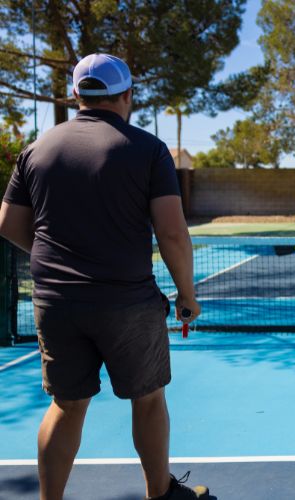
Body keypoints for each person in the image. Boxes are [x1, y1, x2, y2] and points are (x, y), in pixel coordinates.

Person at [0, 54, 207, 499]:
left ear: (76, 95)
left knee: (66, 406)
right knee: (147, 399)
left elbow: (7, 224)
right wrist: (186, 293)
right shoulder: (149, 150)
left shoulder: (36, 151)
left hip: (55, 303)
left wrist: (53, 259)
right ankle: (160, 494)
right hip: (127, 302)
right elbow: (171, 232)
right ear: (127, 95)